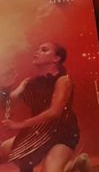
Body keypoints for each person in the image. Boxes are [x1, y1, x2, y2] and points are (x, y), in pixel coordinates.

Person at [0, 42, 90, 172]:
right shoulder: (29, 82)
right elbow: (7, 104)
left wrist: (19, 125)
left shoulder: (63, 81)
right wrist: (5, 87)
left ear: (56, 58)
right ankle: (72, 168)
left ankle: (71, 168)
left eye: (44, 50)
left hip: (60, 134)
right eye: (38, 49)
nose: (37, 52)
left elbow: (54, 112)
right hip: (37, 132)